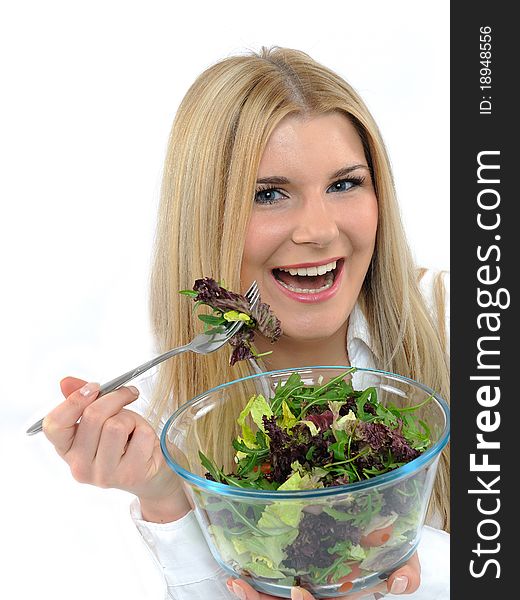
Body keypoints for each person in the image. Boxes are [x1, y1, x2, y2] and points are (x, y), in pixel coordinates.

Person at [43, 47, 450, 600]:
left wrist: (413, 566)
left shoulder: (458, 318)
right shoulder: (172, 426)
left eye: (344, 184)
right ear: (207, 217)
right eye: (269, 195)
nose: (318, 230)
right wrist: (167, 499)